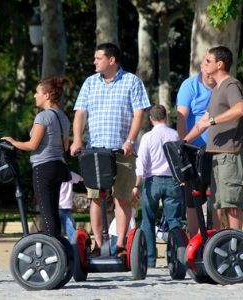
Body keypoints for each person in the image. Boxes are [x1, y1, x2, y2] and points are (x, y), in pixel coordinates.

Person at [70, 42, 150, 257]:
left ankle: (121, 245)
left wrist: (129, 141)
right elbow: (80, 113)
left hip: (122, 151)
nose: (94, 62)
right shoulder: (89, 83)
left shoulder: (132, 81)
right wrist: (77, 140)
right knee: (95, 197)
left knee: (122, 197)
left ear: (111, 60)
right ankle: (98, 244)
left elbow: (139, 114)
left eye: (98, 58)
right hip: (95, 151)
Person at [184, 46, 243, 230]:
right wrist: (183, 142)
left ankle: (237, 246)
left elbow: (240, 109)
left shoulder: (230, 85)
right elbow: (203, 121)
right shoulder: (216, 90)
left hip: (231, 153)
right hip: (218, 155)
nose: (203, 64)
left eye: (207, 61)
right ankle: (224, 246)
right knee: (219, 204)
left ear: (219, 64)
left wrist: (212, 121)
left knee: (231, 204)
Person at [3, 76, 72, 238]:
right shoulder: (63, 117)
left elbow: (32, 145)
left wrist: (12, 141)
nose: (35, 96)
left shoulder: (43, 117)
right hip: (58, 166)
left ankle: (52, 251)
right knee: (54, 211)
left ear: (47, 95)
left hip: (43, 168)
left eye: (37, 92)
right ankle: (59, 247)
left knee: (46, 213)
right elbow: (66, 147)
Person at [134, 105, 183, 268]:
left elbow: (141, 162)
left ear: (151, 119)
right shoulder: (175, 134)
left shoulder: (147, 137)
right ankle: (176, 255)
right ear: (166, 117)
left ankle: (150, 259)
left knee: (147, 220)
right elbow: (179, 158)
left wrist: (136, 184)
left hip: (152, 181)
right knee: (174, 220)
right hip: (172, 180)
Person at [176, 56, 217, 238]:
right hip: (194, 149)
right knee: (193, 197)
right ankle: (195, 239)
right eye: (207, 73)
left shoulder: (222, 86)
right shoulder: (189, 86)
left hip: (217, 149)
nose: (210, 77)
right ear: (201, 67)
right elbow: (182, 117)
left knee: (216, 196)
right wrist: (184, 144)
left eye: (213, 73)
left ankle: (217, 237)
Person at [59, 171, 83, 239]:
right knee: (71, 231)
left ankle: (56, 247)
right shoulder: (70, 174)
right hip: (65, 207)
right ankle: (73, 248)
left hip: (55, 206)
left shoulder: (51, 173)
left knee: (55, 231)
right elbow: (81, 178)